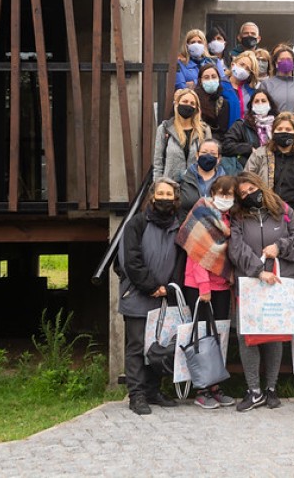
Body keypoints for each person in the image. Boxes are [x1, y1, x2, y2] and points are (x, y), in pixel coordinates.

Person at [228, 172, 294, 411]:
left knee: (275, 335)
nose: (248, 195)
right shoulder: (237, 217)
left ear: (260, 185)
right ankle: (253, 390)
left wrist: (280, 247)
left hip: (280, 281)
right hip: (250, 282)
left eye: (251, 189)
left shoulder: (283, 211)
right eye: (242, 194)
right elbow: (236, 249)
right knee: (248, 337)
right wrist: (257, 270)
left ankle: (271, 388)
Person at [117, 178, 184, 415]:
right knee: (136, 347)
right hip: (137, 294)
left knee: (159, 345)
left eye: (169, 194)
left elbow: (180, 260)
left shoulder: (178, 226)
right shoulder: (136, 224)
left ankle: (153, 390)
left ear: (175, 198)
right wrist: (151, 285)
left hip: (164, 297)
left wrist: (169, 286)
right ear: (152, 196)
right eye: (160, 193)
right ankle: (136, 394)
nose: (164, 198)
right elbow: (130, 261)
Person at [177, 175, 238, 409]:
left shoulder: (230, 218)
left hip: (223, 285)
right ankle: (201, 388)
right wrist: (204, 288)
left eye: (229, 195)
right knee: (202, 337)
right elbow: (197, 253)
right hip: (200, 287)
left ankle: (215, 386)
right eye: (221, 193)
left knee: (219, 336)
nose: (225, 198)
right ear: (213, 193)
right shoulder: (202, 213)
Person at [244, 112, 294, 211]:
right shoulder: (259, 155)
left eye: (288, 129)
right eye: (280, 129)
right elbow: (246, 178)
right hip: (268, 211)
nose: (284, 132)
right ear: (273, 132)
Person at [153, 89, 212, 182]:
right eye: (185, 101)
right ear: (177, 103)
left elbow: (209, 160)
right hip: (169, 187)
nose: (188, 105)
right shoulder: (164, 128)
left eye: (192, 103)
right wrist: (157, 184)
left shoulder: (204, 131)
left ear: (196, 108)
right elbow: (158, 162)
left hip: (195, 186)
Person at [222, 89, 277, 174]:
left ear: (270, 104)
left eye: (263, 101)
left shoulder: (278, 124)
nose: (260, 104)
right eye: (256, 101)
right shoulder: (241, 125)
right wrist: (248, 148)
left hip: (275, 169)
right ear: (251, 105)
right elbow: (226, 145)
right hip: (249, 171)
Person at [177, 138, 226, 222]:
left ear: (218, 158)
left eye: (212, 153)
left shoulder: (226, 182)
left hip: (215, 231)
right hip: (186, 229)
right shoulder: (184, 178)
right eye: (204, 152)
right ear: (197, 155)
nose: (208, 156)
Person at [260, 44, 294, 113]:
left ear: (293, 63)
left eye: (288, 59)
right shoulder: (266, 84)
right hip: (275, 122)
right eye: (282, 59)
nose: (285, 62)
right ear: (276, 63)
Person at [194, 63, 231, 143]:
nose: (210, 80)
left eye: (214, 77)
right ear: (200, 81)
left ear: (219, 79)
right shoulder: (193, 99)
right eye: (206, 78)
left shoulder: (222, 103)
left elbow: (221, 132)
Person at [221, 51, 259, 124]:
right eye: (242, 64)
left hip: (243, 133)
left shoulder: (251, 92)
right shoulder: (220, 85)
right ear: (233, 64)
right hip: (224, 132)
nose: (243, 69)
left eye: (247, 69)